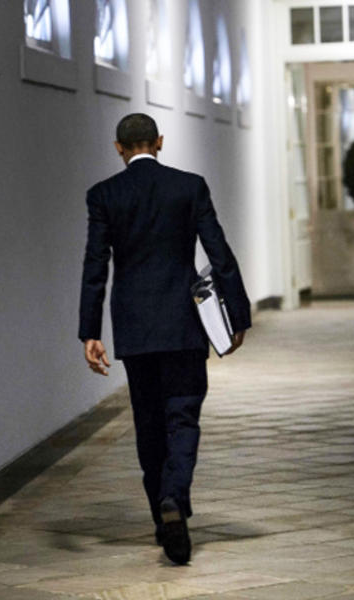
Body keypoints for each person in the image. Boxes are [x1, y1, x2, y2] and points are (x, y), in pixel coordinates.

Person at [78, 113, 251, 565]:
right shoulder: (189, 186)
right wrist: (238, 314)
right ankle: (174, 499)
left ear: (118, 147)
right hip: (182, 323)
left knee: (149, 422)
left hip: (134, 326)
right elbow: (219, 253)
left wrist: (89, 332)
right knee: (183, 417)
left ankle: (162, 517)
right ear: (159, 141)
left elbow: (95, 267)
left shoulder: (104, 196)